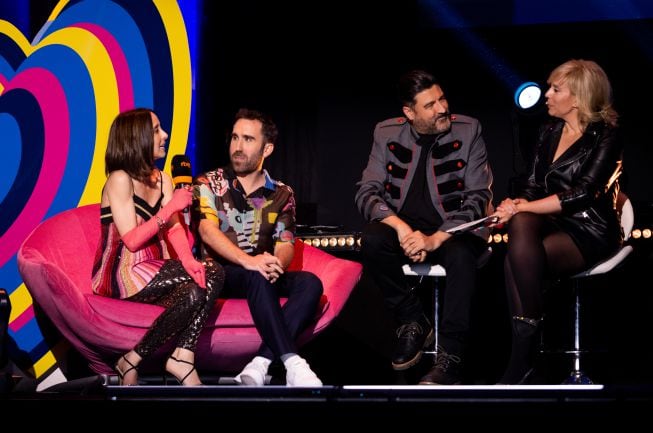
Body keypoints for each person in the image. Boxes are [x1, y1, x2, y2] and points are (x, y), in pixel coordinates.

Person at [355, 69, 494, 384]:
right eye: (430, 105)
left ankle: (451, 356)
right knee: (373, 240)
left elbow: (478, 197)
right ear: (409, 112)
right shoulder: (386, 132)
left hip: (455, 228)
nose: (442, 108)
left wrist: (435, 239)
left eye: (442, 99)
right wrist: (402, 229)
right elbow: (367, 191)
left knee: (460, 257)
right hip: (408, 228)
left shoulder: (469, 129)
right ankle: (412, 318)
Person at [492, 59, 624, 384]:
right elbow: (534, 182)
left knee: (516, 260)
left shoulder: (606, 135)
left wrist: (525, 207)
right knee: (520, 225)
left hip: (589, 228)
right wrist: (515, 202)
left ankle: (524, 354)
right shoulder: (549, 130)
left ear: (578, 97)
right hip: (555, 223)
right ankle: (528, 343)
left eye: (555, 89)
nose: (546, 95)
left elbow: (585, 193)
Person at [92, 108, 224, 386]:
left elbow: (174, 227)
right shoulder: (120, 179)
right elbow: (132, 240)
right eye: (156, 130)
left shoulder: (162, 178)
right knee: (210, 275)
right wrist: (171, 208)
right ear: (136, 137)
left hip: (154, 269)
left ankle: (155, 357)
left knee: (204, 278)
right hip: (122, 274)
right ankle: (165, 359)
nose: (164, 136)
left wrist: (189, 261)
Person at [194, 108, 324, 387]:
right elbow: (207, 230)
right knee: (255, 274)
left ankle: (260, 363)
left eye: (248, 140)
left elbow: (286, 240)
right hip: (221, 273)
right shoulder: (210, 182)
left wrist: (276, 263)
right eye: (235, 138)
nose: (238, 147)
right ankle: (292, 361)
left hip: (261, 273)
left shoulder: (282, 193)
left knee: (310, 283)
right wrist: (249, 261)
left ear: (268, 148)